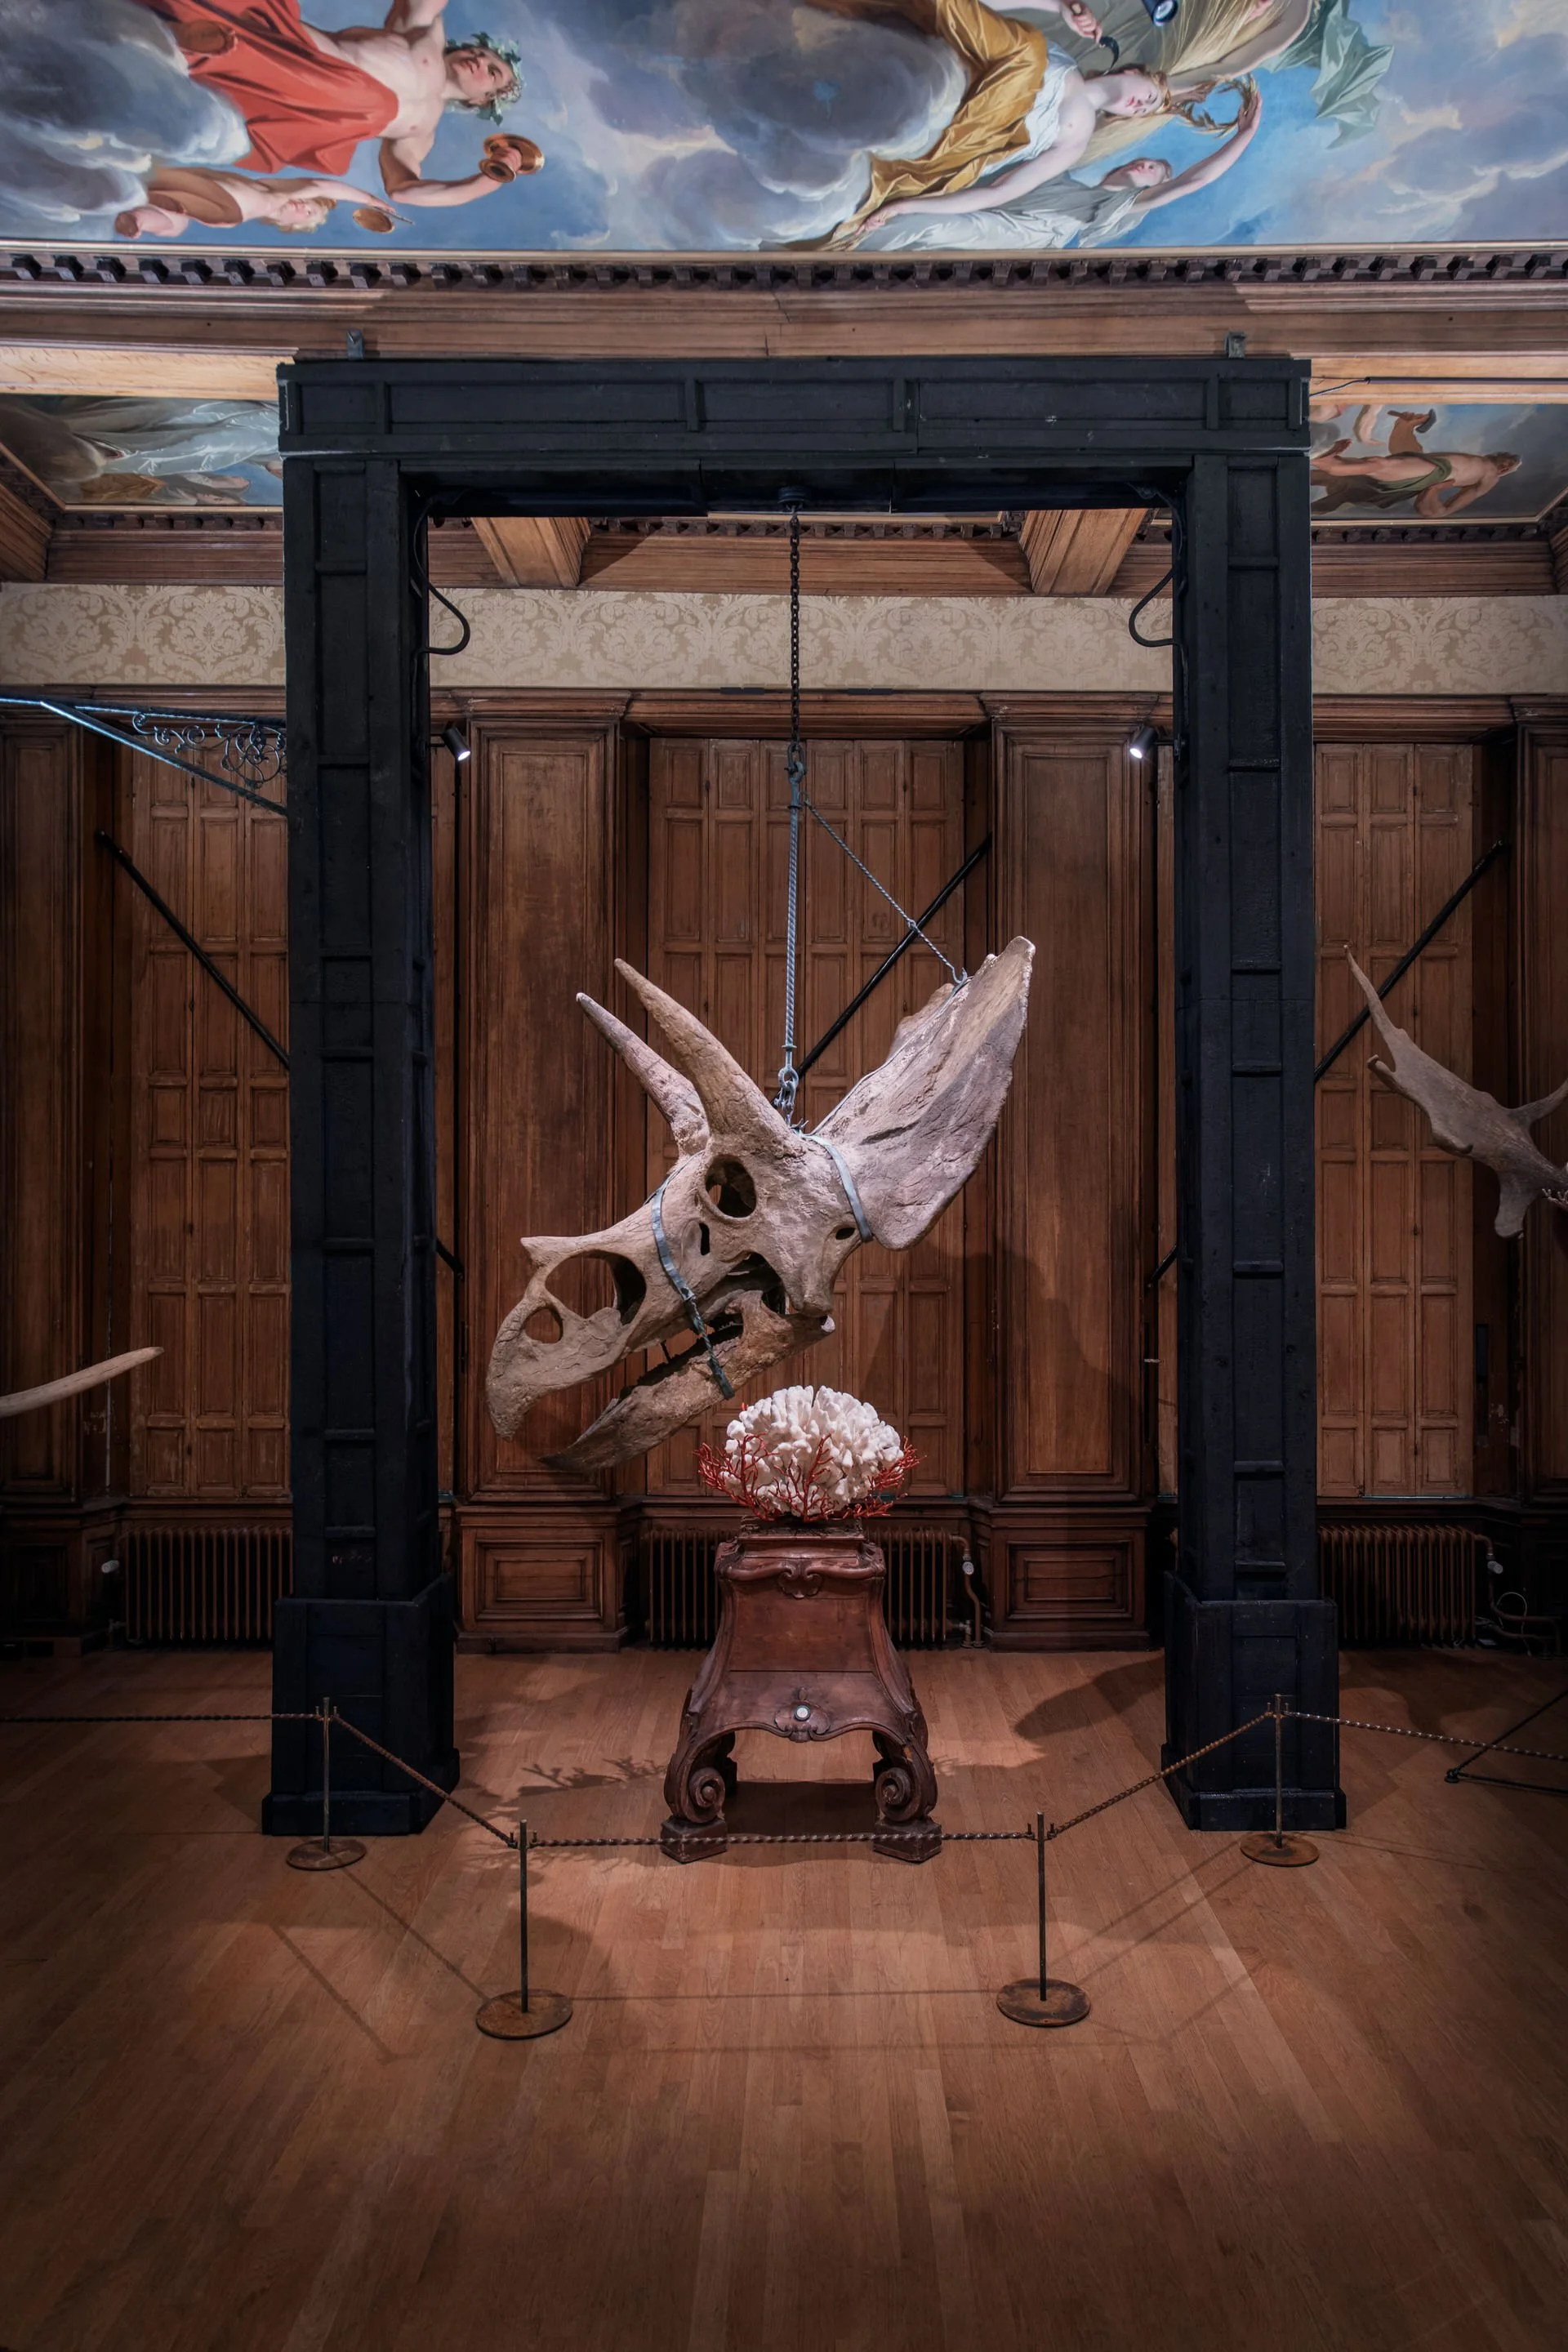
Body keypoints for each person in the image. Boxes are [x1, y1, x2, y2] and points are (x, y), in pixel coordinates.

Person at [805, 0, 1237, 248]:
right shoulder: (1054, 55)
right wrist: (1057, 6)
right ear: (1132, 69)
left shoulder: (1075, 138)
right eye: (1151, 90)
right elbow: (976, 8)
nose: (1144, 103)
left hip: (960, 136)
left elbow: (998, 192)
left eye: (1145, 110)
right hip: (943, 77)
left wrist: (906, 206)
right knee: (1026, 49)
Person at [140, 0, 537, 209]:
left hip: (298, 109)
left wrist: (491, 178)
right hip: (289, 47)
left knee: (375, 107)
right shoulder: (424, 34)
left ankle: (198, 52)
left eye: (493, 72)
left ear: (483, 100)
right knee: (374, 104)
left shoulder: (420, 130)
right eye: (482, 53)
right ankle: (198, 44)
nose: (480, 61)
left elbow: (404, 191)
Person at [858, 78, 1260, 247]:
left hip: (1016, 234)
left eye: (1156, 169)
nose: (1145, 164)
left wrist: (1243, 137)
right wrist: (1173, 93)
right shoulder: (1063, 174)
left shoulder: (1114, 211)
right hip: (988, 207)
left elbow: (1192, 182)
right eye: (1145, 158)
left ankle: (850, 249)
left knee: (926, 226)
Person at [1310, 410, 1523, 519]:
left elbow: (1442, 512)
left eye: (1509, 463)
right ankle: (1327, 461)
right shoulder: (1476, 460)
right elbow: (1406, 451)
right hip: (1430, 464)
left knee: (1379, 465)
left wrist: (1434, 492)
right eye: (1506, 456)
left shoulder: (1490, 475)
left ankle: (1327, 461)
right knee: (1381, 463)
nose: (1505, 460)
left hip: (1438, 473)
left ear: (1505, 471)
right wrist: (1407, 424)